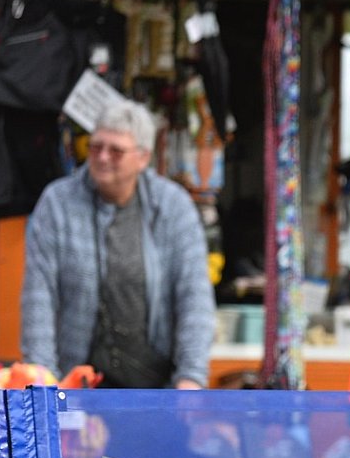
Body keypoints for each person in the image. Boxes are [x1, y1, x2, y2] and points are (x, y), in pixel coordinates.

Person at [20, 101, 215, 389]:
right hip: (73, 380)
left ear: (143, 157)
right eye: (96, 147)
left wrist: (191, 378)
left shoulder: (173, 207)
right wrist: (42, 379)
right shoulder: (57, 203)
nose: (102, 157)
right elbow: (39, 296)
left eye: (116, 151)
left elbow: (194, 296)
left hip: (154, 381)